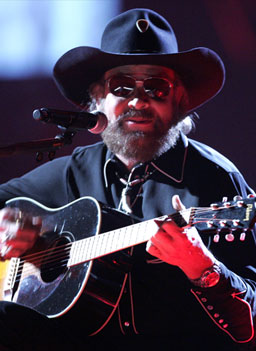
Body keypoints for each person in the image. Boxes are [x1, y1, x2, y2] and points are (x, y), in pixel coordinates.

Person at [0, 8, 255, 351]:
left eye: (157, 87)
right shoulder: (70, 173)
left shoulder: (215, 181)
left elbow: (249, 327)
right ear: (97, 100)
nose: (138, 100)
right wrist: (9, 228)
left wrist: (202, 267)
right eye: (121, 86)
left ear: (180, 101)